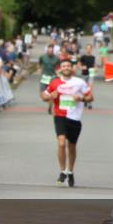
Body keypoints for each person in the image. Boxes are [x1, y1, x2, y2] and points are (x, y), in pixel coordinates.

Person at [40, 58, 93, 187]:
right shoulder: (55, 82)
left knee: (72, 147)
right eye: (64, 66)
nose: (66, 68)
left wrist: (81, 98)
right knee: (62, 142)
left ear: (72, 68)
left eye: (68, 66)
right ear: (60, 69)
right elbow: (43, 96)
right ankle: (62, 171)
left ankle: (70, 172)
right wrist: (50, 96)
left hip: (75, 118)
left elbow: (90, 97)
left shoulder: (79, 82)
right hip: (60, 116)